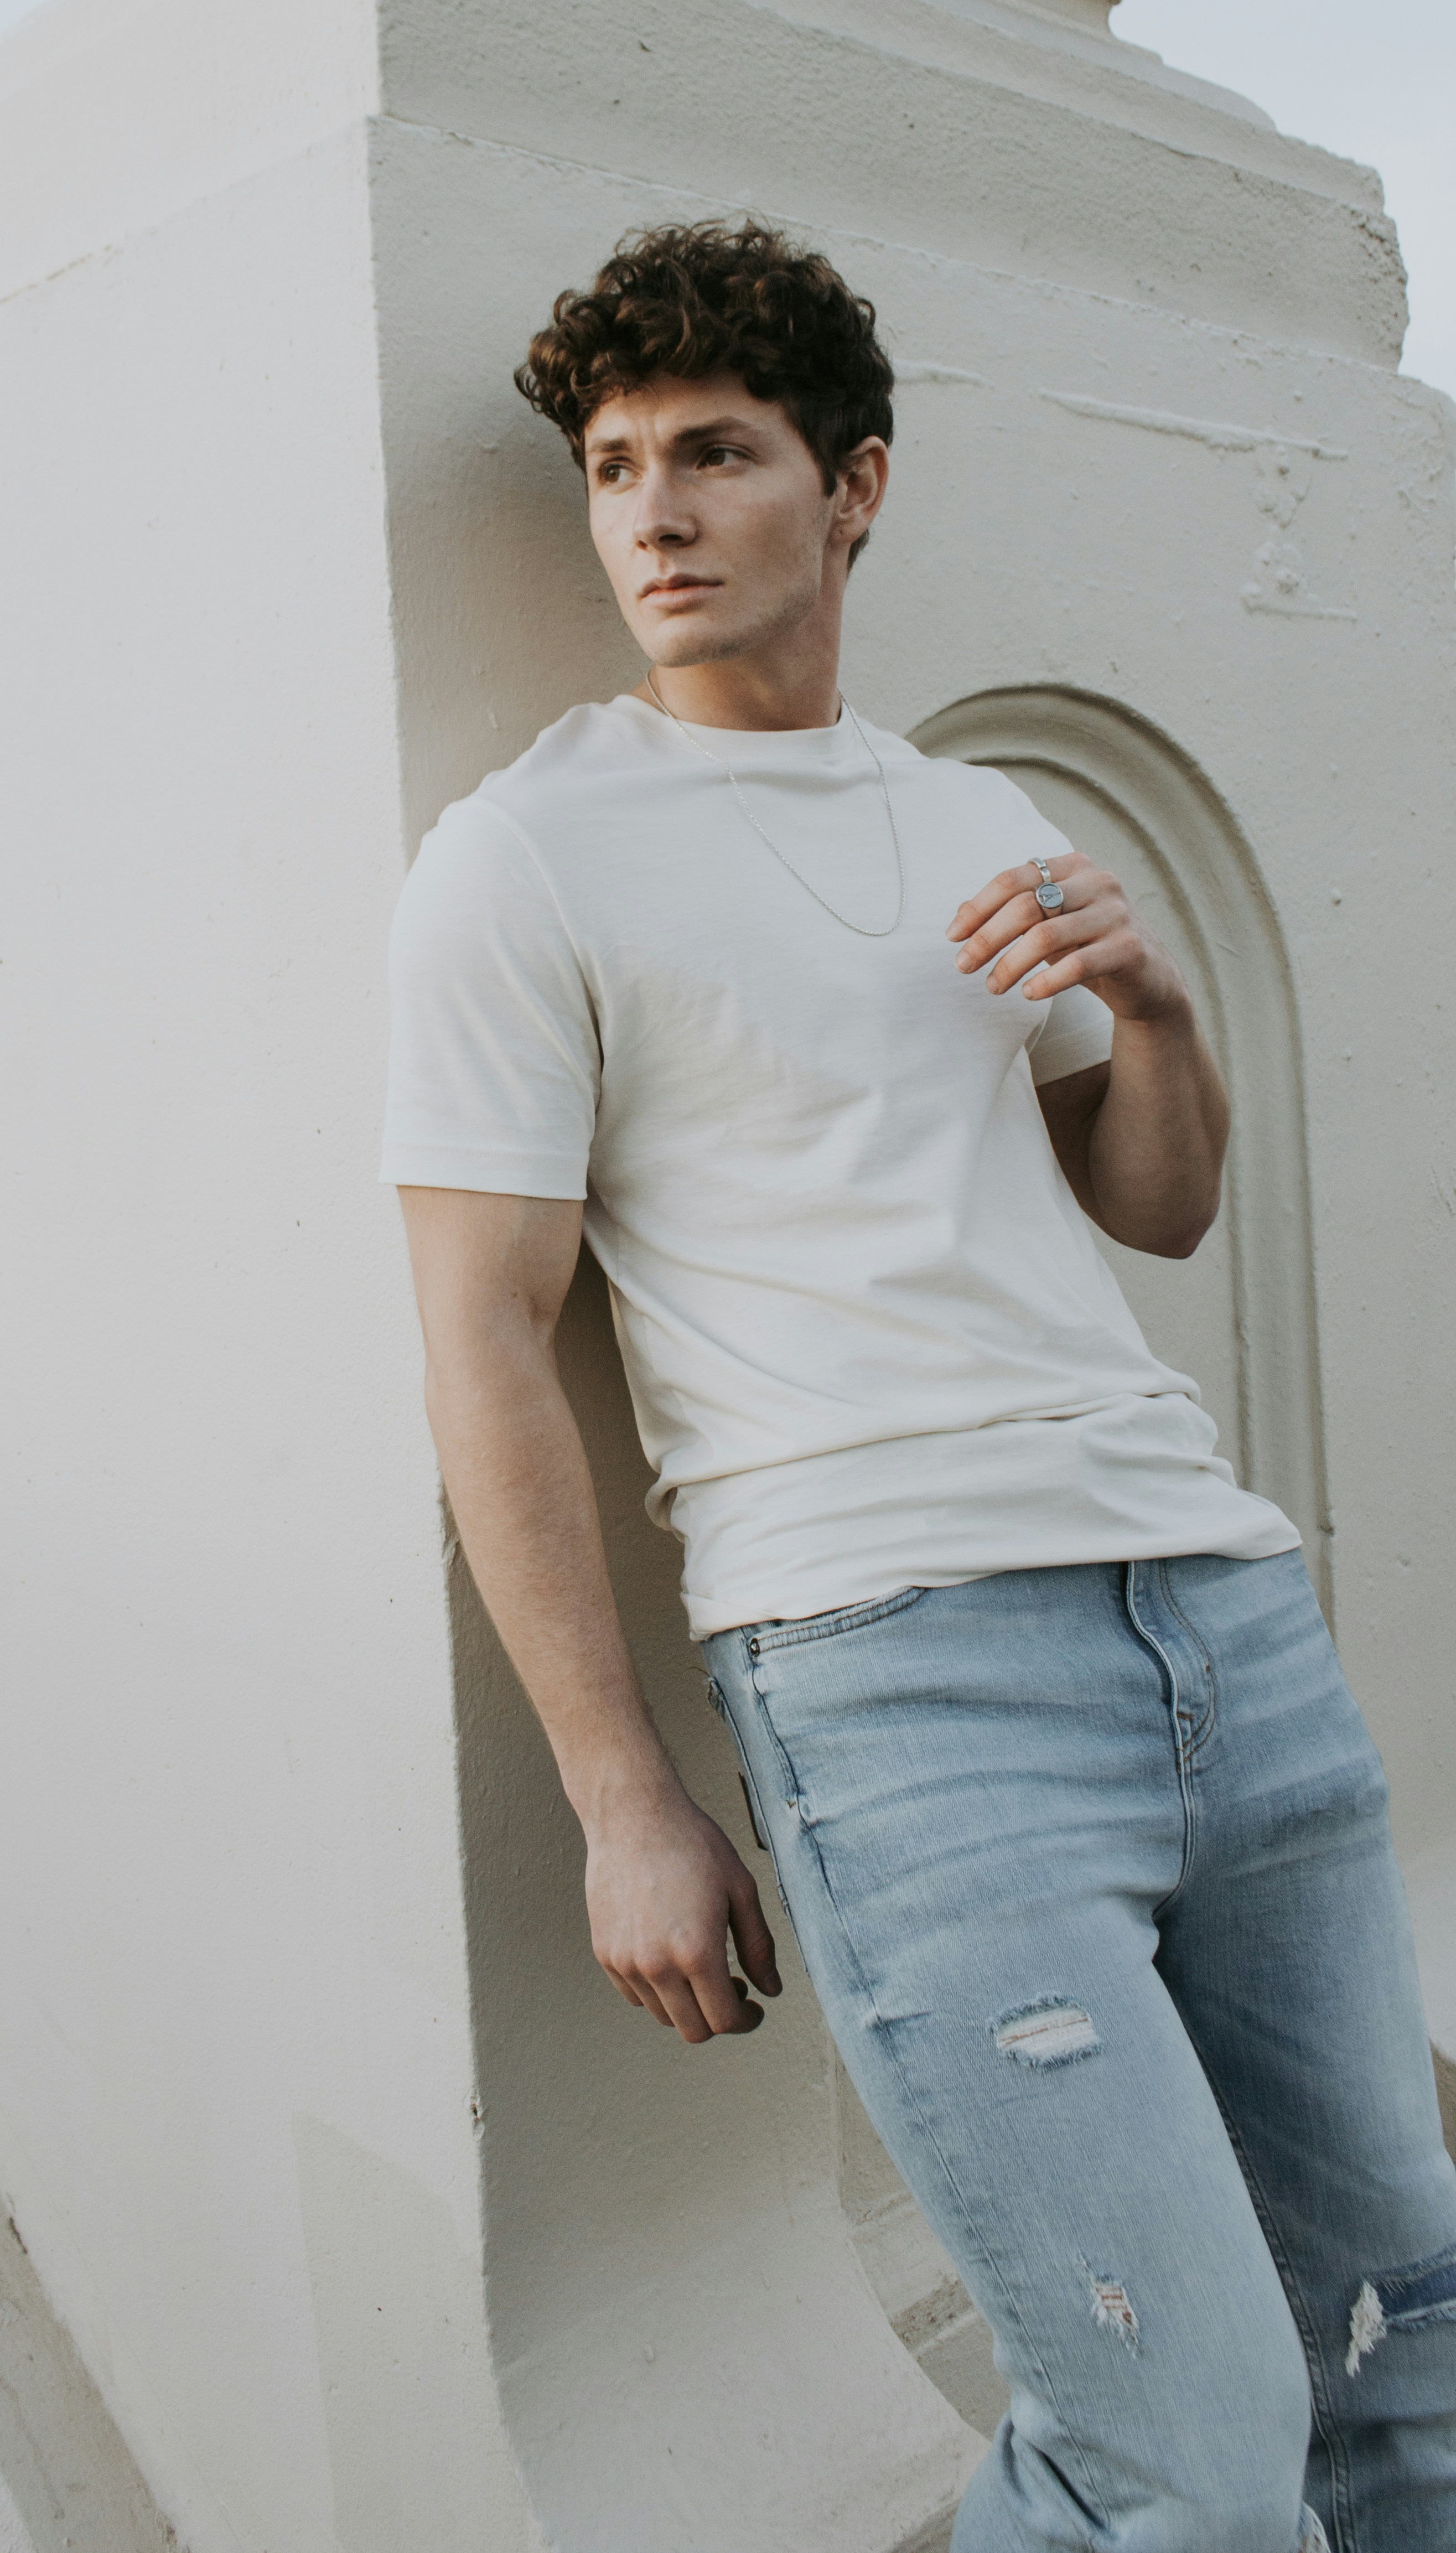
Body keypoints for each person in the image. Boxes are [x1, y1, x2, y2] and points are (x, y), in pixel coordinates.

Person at [380, 219, 1456, 2550]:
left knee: (1415, 2336)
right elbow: (481, 1334)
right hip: (904, 1678)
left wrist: (1158, 1011)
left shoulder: (975, 818)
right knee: (1176, 2453)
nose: (650, 514)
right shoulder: (528, 858)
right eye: (613, 466)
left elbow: (1145, 1207)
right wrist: (620, 1791)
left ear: (853, 489)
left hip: (1223, 1627)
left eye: (717, 456)